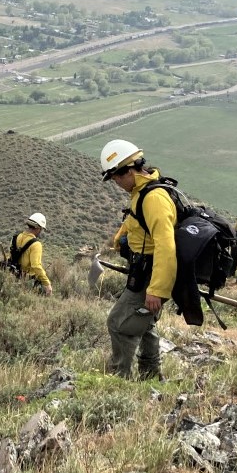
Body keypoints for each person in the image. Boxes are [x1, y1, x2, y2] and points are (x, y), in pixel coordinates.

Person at [99, 139, 176, 380]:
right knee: (144, 321)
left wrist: (156, 289)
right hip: (144, 270)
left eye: (115, 177)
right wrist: (120, 239)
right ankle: (151, 375)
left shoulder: (153, 198)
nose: (115, 182)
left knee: (118, 323)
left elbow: (166, 246)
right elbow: (137, 224)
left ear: (129, 171)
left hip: (149, 275)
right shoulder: (141, 192)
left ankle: (117, 380)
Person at [10, 212, 53, 296]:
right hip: (28, 281)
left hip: (13, 277)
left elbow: (11, 256)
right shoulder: (36, 244)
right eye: (41, 229)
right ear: (37, 228)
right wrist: (47, 284)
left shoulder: (16, 238)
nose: (41, 231)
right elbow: (36, 266)